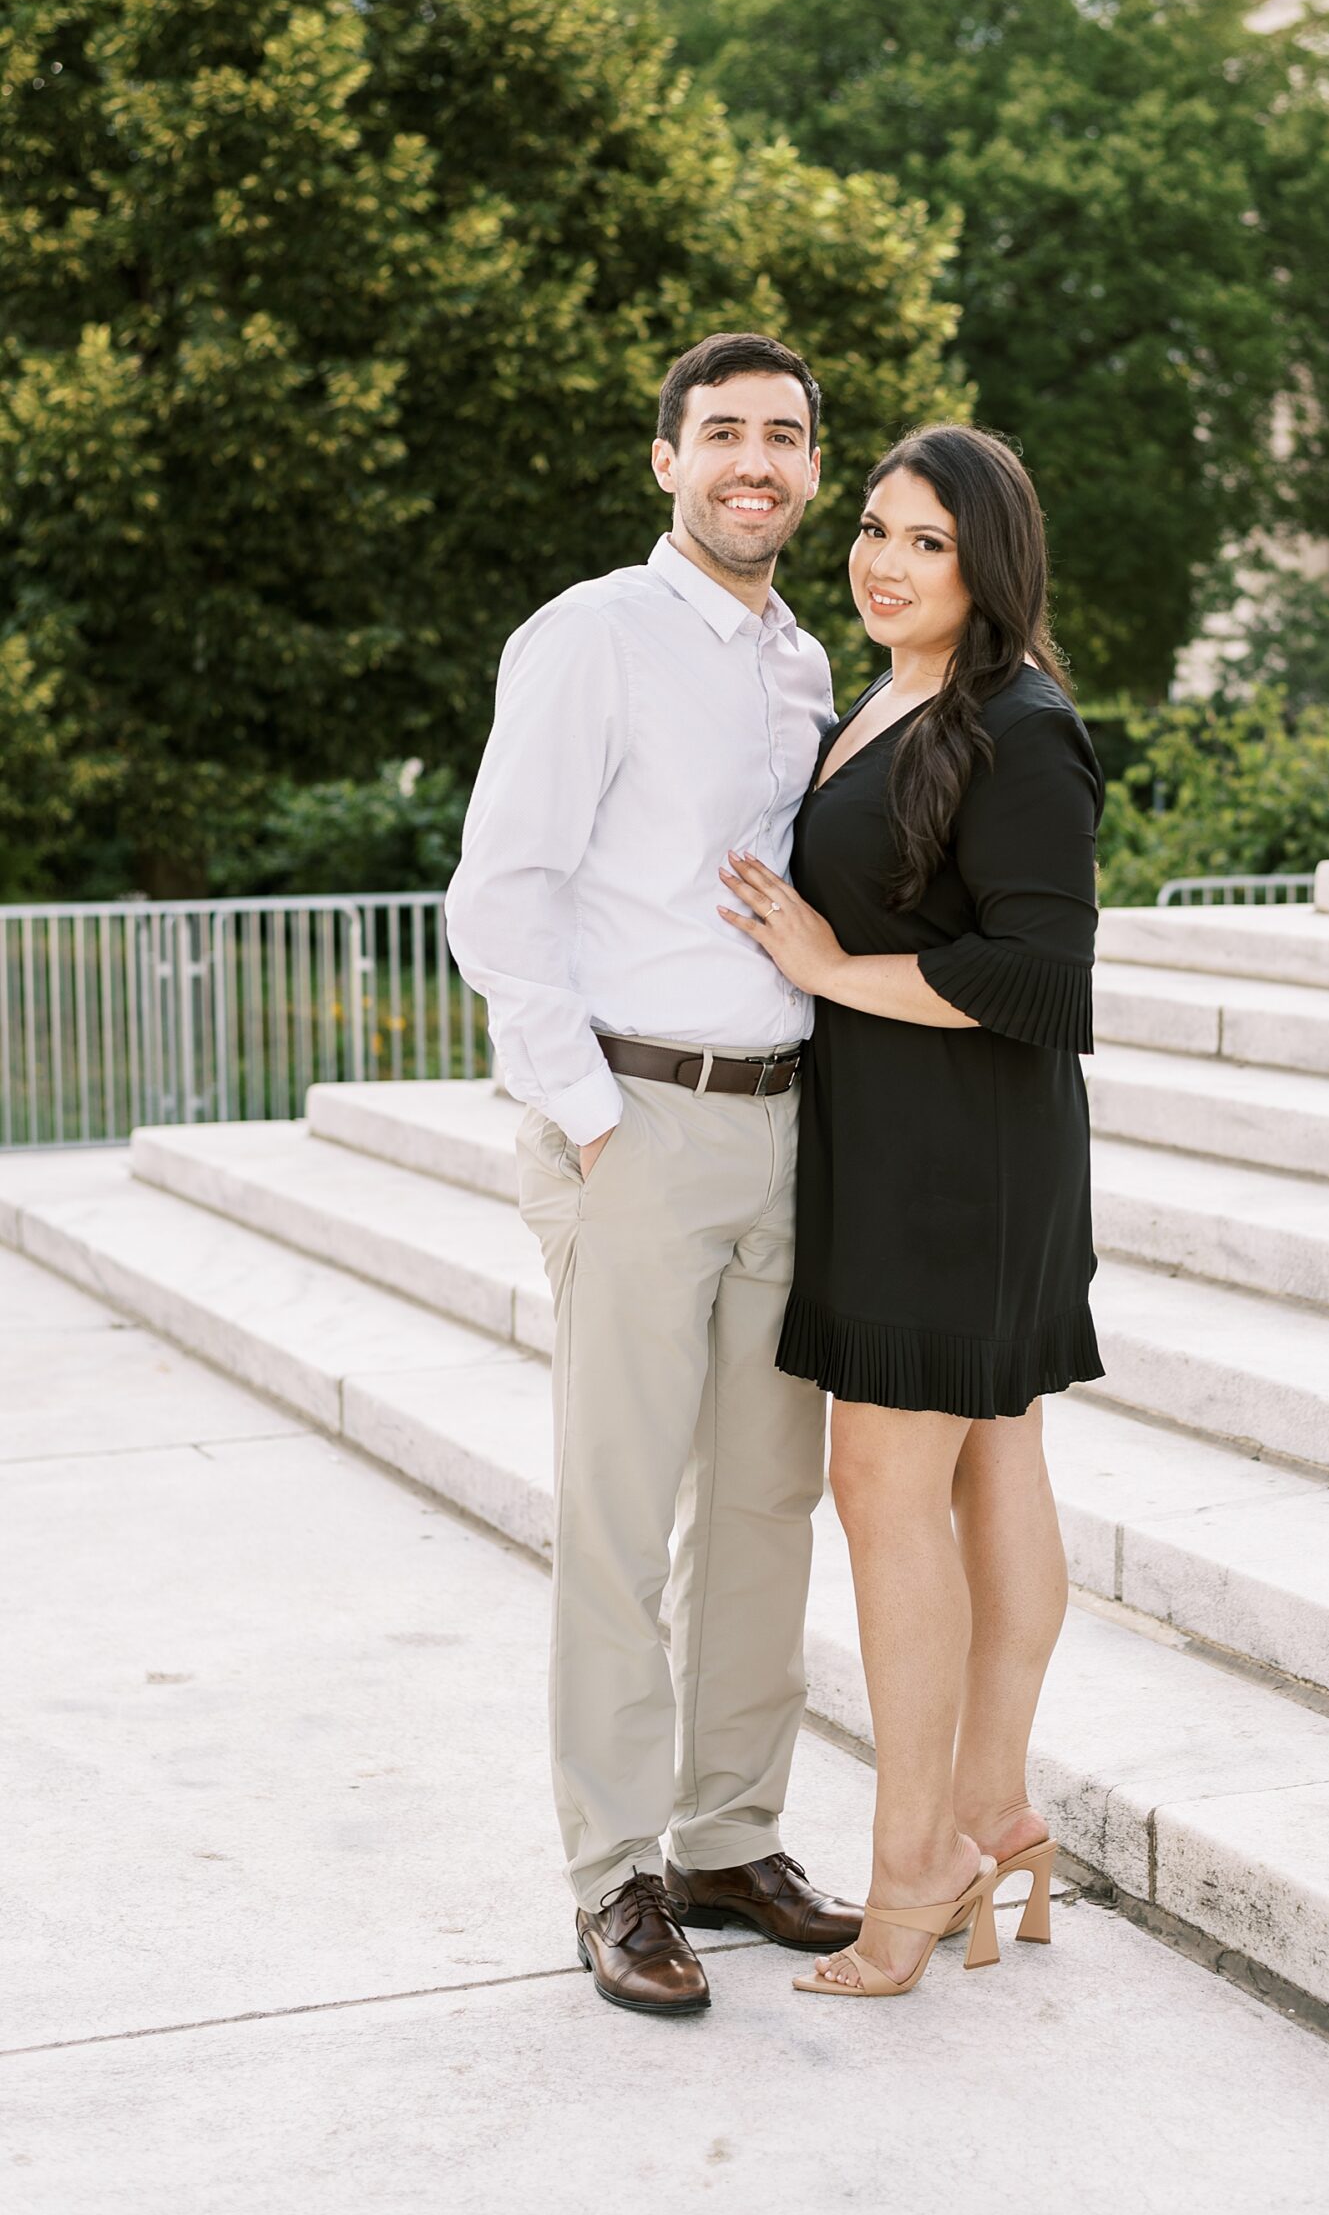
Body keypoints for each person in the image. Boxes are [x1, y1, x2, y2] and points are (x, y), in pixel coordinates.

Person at [445, 331, 863, 2018]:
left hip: (786, 1124)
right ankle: (613, 1871)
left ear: (812, 469)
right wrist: (586, 1112)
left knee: (764, 1504)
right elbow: (501, 890)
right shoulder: (592, 635)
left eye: (784, 437)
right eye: (723, 434)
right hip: (637, 1117)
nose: (755, 462)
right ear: (666, 461)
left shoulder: (802, 659)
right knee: (621, 1515)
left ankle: (726, 1838)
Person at [719, 423, 1104, 2000]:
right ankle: (990, 1814)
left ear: (988, 563)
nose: (883, 561)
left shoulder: (1022, 725)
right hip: (902, 1142)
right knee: (991, 1459)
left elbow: (1041, 975)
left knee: (884, 1488)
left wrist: (825, 968)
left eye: (926, 541)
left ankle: (907, 1871)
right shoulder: (884, 698)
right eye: (873, 528)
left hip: (958, 1157)